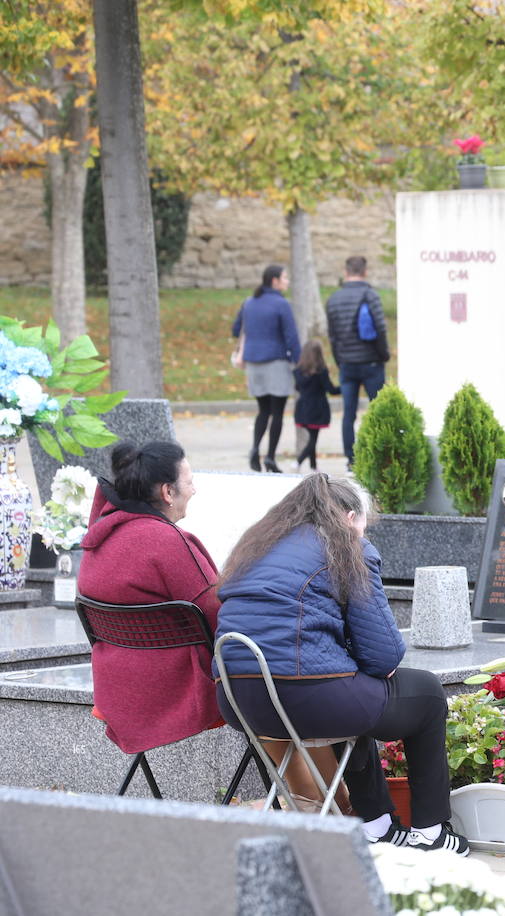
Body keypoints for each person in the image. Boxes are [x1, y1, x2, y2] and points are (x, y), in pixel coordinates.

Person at [213, 474, 468, 854]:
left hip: (240, 702)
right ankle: (431, 832)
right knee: (427, 694)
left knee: (354, 687)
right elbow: (383, 657)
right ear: (349, 518)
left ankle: (376, 824)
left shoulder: (255, 548)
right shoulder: (347, 545)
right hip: (307, 696)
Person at [77, 441, 222, 758]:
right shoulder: (168, 542)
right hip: (178, 692)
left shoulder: (97, 540)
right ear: (168, 493)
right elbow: (219, 619)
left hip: (117, 691)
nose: (194, 490)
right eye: (189, 482)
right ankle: (315, 797)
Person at [233, 264, 301, 473]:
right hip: (276, 362)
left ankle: (255, 449)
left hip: (253, 364)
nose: (287, 281)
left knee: (263, 410)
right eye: (285, 278)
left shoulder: (249, 302)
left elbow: (236, 329)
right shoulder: (282, 304)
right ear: (274, 280)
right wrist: (296, 360)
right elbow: (291, 335)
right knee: (277, 412)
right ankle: (270, 456)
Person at [325, 256, 391, 470]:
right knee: (378, 411)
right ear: (365, 271)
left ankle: (351, 459)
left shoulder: (334, 299)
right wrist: (384, 354)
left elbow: (332, 336)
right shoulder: (370, 296)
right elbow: (380, 329)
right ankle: (379, 455)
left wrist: (339, 360)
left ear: (346, 272)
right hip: (371, 362)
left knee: (348, 412)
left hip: (347, 364)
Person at [292, 339, 340, 473]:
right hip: (317, 409)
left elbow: (297, 388)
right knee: (313, 439)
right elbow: (331, 390)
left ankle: (313, 466)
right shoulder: (321, 372)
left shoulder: (298, 372)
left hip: (302, 408)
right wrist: (345, 388)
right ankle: (298, 461)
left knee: (312, 436)